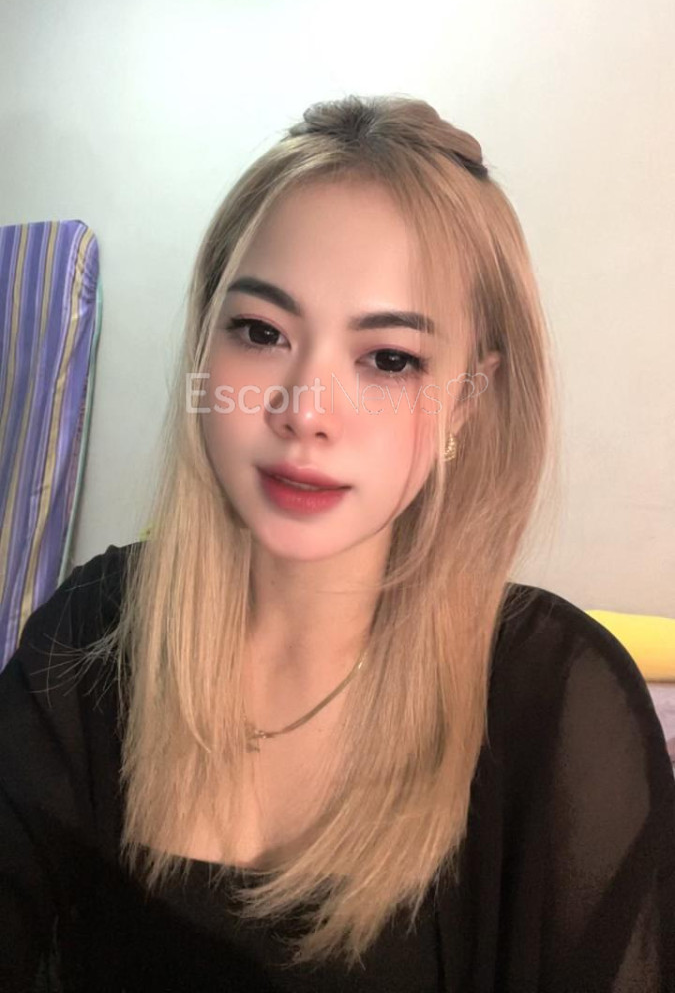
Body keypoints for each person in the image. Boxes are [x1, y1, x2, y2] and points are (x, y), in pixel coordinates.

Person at [1, 94, 673, 992]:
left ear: (467, 401)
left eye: (389, 358)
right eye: (260, 332)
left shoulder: (556, 708)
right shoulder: (87, 637)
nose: (302, 412)